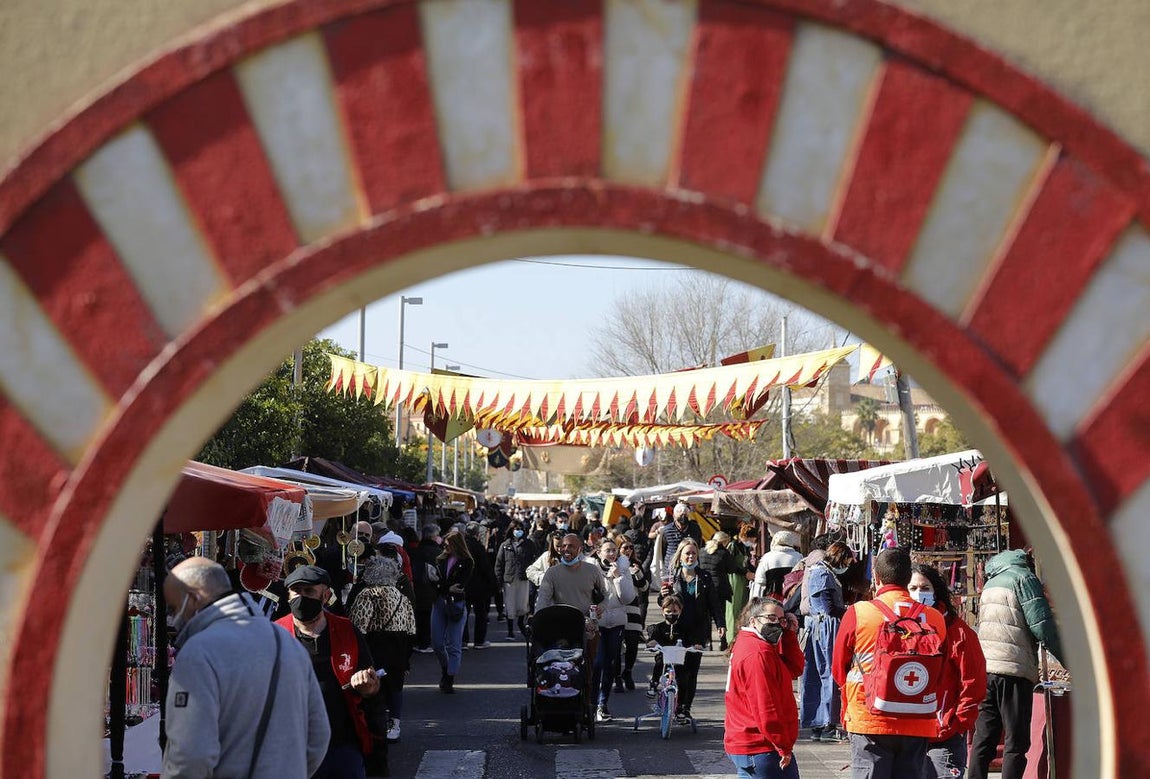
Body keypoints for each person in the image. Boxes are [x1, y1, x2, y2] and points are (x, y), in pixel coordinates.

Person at [161, 557, 329, 779]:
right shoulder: (286, 642)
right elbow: (318, 736)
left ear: (193, 598)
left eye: (173, 608)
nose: (173, 618)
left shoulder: (198, 653)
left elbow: (191, 756)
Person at [832, 547, 948, 779]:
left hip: (869, 718)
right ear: (908, 579)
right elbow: (941, 668)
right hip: (917, 718)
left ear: (876, 577)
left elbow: (838, 667)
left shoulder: (859, 613)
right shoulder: (934, 618)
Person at [275, 565, 382, 779]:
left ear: (325, 596)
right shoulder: (275, 634)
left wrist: (368, 687)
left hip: (341, 743)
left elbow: (373, 682)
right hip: (292, 745)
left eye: (309, 592)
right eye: (297, 592)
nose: (302, 598)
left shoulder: (346, 629)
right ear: (288, 596)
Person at [969, 549, 1063, 779]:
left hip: (988, 668)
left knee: (984, 737)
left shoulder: (992, 581)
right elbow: (1042, 625)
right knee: (1016, 740)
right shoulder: (1024, 578)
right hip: (1013, 669)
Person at [909, 564, 987, 779]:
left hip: (944, 733)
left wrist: (958, 723)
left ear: (936, 591)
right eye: (913, 588)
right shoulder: (896, 628)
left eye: (924, 588)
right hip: (905, 732)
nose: (918, 593)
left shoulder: (958, 631)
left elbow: (974, 682)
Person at [724, 597, 804, 779]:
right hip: (761, 745)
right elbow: (765, 706)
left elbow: (794, 669)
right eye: (771, 618)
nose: (777, 624)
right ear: (753, 620)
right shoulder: (758, 653)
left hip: (751, 743)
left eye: (781, 620)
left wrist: (790, 634)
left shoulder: (755, 644)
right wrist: (783, 745)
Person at [350, 555, 417, 745]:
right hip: (399, 646)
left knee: (372, 684)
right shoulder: (402, 597)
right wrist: (407, 657)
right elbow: (412, 628)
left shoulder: (369, 594)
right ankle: (394, 724)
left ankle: (374, 725)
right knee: (395, 686)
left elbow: (358, 626)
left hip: (375, 645)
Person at [657, 539, 721, 722]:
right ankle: (673, 704)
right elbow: (665, 606)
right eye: (687, 553)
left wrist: (721, 624)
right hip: (676, 630)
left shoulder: (705, 577)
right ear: (680, 555)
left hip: (698, 630)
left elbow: (714, 604)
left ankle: (685, 707)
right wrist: (663, 598)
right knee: (677, 671)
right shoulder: (673, 577)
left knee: (692, 671)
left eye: (693, 553)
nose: (691, 556)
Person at [800, 540, 854, 742]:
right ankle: (827, 723)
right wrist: (849, 611)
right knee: (829, 672)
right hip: (826, 629)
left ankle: (818, 722)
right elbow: (827, 607)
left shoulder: (820, 571)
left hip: (819, 627)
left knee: (817, 673)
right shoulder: (823, 573)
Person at [590, 536, 636, 721]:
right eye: (607, 550)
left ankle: (603, 704)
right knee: (597, 663)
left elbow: (627, 598)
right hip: (597, 623)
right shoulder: (591, 569)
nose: (611, 554)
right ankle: (592, 703)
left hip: (616, 622)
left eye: (613, 550)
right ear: (599, 552)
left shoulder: (623, 568)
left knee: (610, 664)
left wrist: (618, 577)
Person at [645, 595, 701, 723]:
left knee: (683, 681)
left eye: (675, 611)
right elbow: (652, 639)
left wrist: (695, 645)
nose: (672, 614)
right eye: (668, 611)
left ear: (680, 611)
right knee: (659, 662)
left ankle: (681, 707)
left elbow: (692, 639)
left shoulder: (685, 627)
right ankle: (654, 684)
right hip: (664, 657)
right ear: (663, 611)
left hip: (679, 659)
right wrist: (651, 643)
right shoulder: (658, 628)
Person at [430, 529, 474, 693]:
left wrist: (442, 585)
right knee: (437, 642)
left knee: (454, 644)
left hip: (456, 604)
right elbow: (441, 583)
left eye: (448, 545)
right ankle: (446, 667)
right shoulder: (440, 559)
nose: (445, 548)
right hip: (439, 602)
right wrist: (445, 586)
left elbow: (460, 585)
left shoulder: (467, 562)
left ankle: (449, 677)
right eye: (445, 545)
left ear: (456, 546)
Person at [534, 533, 607, 617]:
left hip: (585, 623)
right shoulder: (552, 572)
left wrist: (601, 607)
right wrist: (539, 621)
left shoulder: (592, 570)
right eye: (563, 546)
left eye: (571, 546)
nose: (566, 549)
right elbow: (542, 601)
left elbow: (605, 593)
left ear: (580, 549)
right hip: (560, 622)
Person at [614, 534, 650, 692]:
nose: (628, 551)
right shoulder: (613, 565)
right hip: (616, 609)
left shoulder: (636, 565)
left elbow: (644, 587)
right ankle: (616, 677)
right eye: (624, 547)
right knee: (616, 646)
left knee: (633, 644)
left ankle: (627, 672)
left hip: (633, 610)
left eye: (630, 547)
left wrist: (637, 573)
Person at [494, 519, 538, 640]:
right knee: (510, 605)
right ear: (511, 530)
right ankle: (510, 631)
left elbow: (535, 560)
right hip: (509, 579)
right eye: (516, 529)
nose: (519, 531)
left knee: (523, 605)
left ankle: (520, 624)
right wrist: (498, 581)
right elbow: (499, 563)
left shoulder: (529, 544)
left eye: (521, 529)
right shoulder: (505, 545)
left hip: (523, 578)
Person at [461, 521, 498, 649]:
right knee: (480, 614)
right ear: (477, 534)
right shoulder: (478, 547)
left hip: (463, 585)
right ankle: (479, 641)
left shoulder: (461, 545)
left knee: (462, 614)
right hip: (478, 586)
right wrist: (494, 584)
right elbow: (486, 567)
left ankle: (463, 641)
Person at [700, 531, 736, 650]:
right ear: (724, 541)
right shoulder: (723, 553)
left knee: (707, 616)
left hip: (705, 587)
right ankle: (722, 641)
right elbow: (731, 569)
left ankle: (708, 642)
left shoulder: (702, 551)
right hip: (720, 588)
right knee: (720, 615)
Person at [650, 502, 703, 583]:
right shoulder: (666, 530)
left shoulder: (695, 528)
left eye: (685, 514)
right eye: (680, 514)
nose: (683, 516)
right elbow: (663, 549)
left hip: (691, 566)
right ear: (674, 516)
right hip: (671, 568)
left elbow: (698, 545)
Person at [726, 524, 759, 641]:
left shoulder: (746, 547)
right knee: (733, 610)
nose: (752, 542)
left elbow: (747, 563)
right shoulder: (733, 546)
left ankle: (740, 638)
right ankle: (731, 639)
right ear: (746, 536)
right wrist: (745, 573)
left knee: (742, 610)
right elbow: (730, 565)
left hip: (743, 581)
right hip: (734, 580)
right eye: (752, 539)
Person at [752, 530, 803, 600]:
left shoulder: (767, 558)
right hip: (792, 599)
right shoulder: (799, 557)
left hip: (772, 599)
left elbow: (760, 582)